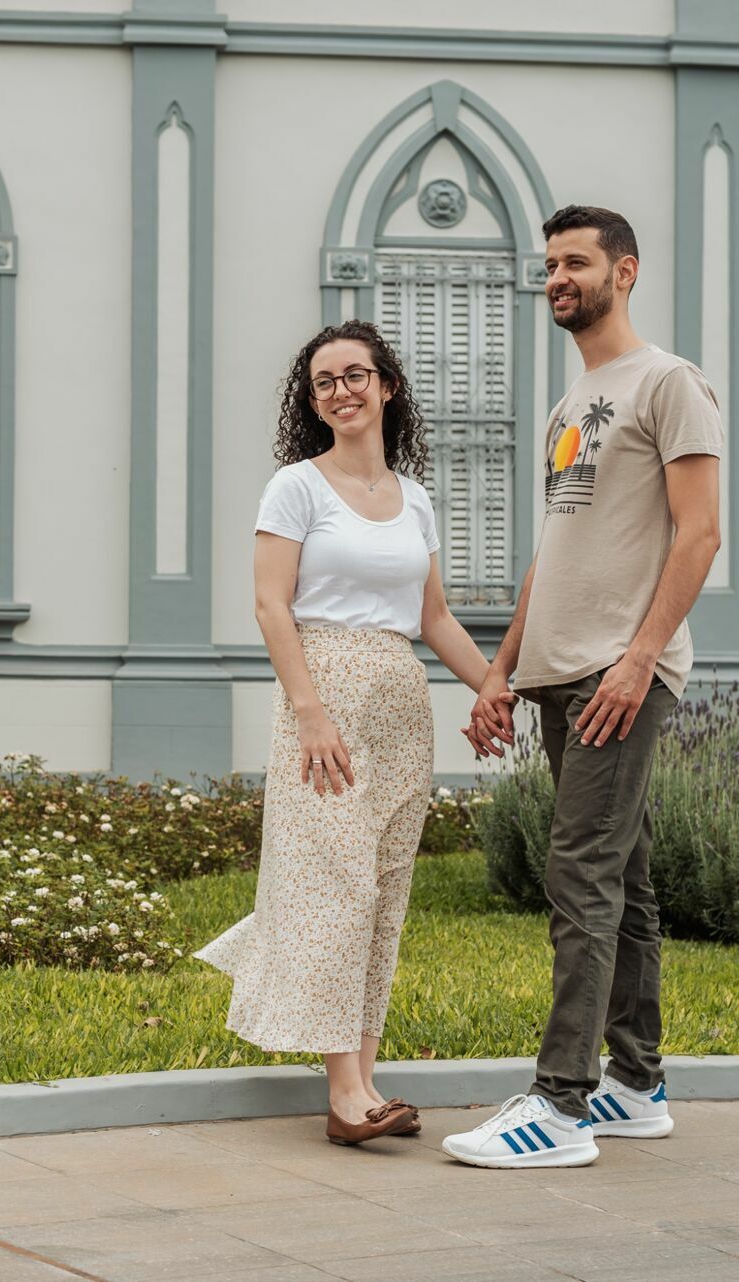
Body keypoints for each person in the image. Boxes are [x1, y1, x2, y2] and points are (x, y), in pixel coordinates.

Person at [441, 205, 724, 1169]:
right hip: (561, 673)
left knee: (581, 878)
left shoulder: (670, 384)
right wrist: (501, 670)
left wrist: (641, 657)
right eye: (549, 264)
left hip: (618, 674)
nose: (557, 277)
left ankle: (561, 1104)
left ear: (626, 271)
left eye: (576, 262)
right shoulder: (574, 403)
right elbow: (554, 554)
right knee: (625, 882)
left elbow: (700, 535)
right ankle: (635, 1087)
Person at [196, 320, 495, 1147]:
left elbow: (434, 617)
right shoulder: (295, 487)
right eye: (324, 381)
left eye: (355, 374)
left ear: (387, 386)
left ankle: (366, 1078)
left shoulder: (416, 499)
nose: (341, 390)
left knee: (385, 890)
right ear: (313, 400)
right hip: (322, 692)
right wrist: (310, 712)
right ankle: (343, 1095)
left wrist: (494, 689)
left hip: (399, 697)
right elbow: (270, 606)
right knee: (334, 887)